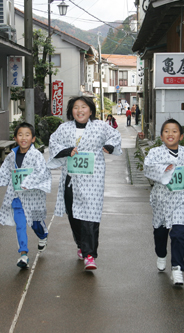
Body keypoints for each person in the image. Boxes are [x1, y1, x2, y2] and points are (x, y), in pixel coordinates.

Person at [47, 96, 122, 270]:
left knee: (90, 215)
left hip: (92, 179)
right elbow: (53, 142)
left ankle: (90, 255)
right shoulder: (64, 128)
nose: (80, 110)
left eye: (83, 107)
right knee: (74, 215)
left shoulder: (101, 126)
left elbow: (115, 136)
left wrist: (110, 146)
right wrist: (65, 151)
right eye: (75, 107)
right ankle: (81, 244)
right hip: (71, 178)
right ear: (71, 111)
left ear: (90, 110)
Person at [143, 118, 184, 285]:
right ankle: (161, 253)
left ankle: (177, 268)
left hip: (181, 198)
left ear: (181, 136)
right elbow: (148, 167)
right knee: (160, 231)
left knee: (179, 233)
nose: (170, 134)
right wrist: (165, 171)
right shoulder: (155, 153)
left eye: (174, 131)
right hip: (161, 199)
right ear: (161, 136)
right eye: (166, 131)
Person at [0, 122, 51, 269]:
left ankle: (43, 236)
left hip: (34, 197)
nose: (23, 138)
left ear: (33, 139)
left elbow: (42, 172)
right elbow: (5, 171)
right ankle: (23, 254)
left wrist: (29, 182)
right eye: (20, 135)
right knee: (20, 225)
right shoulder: (11, 156)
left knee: (36, 223)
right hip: (17, 197)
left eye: (27, 135)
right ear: (15, 138)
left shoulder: (36, 156)